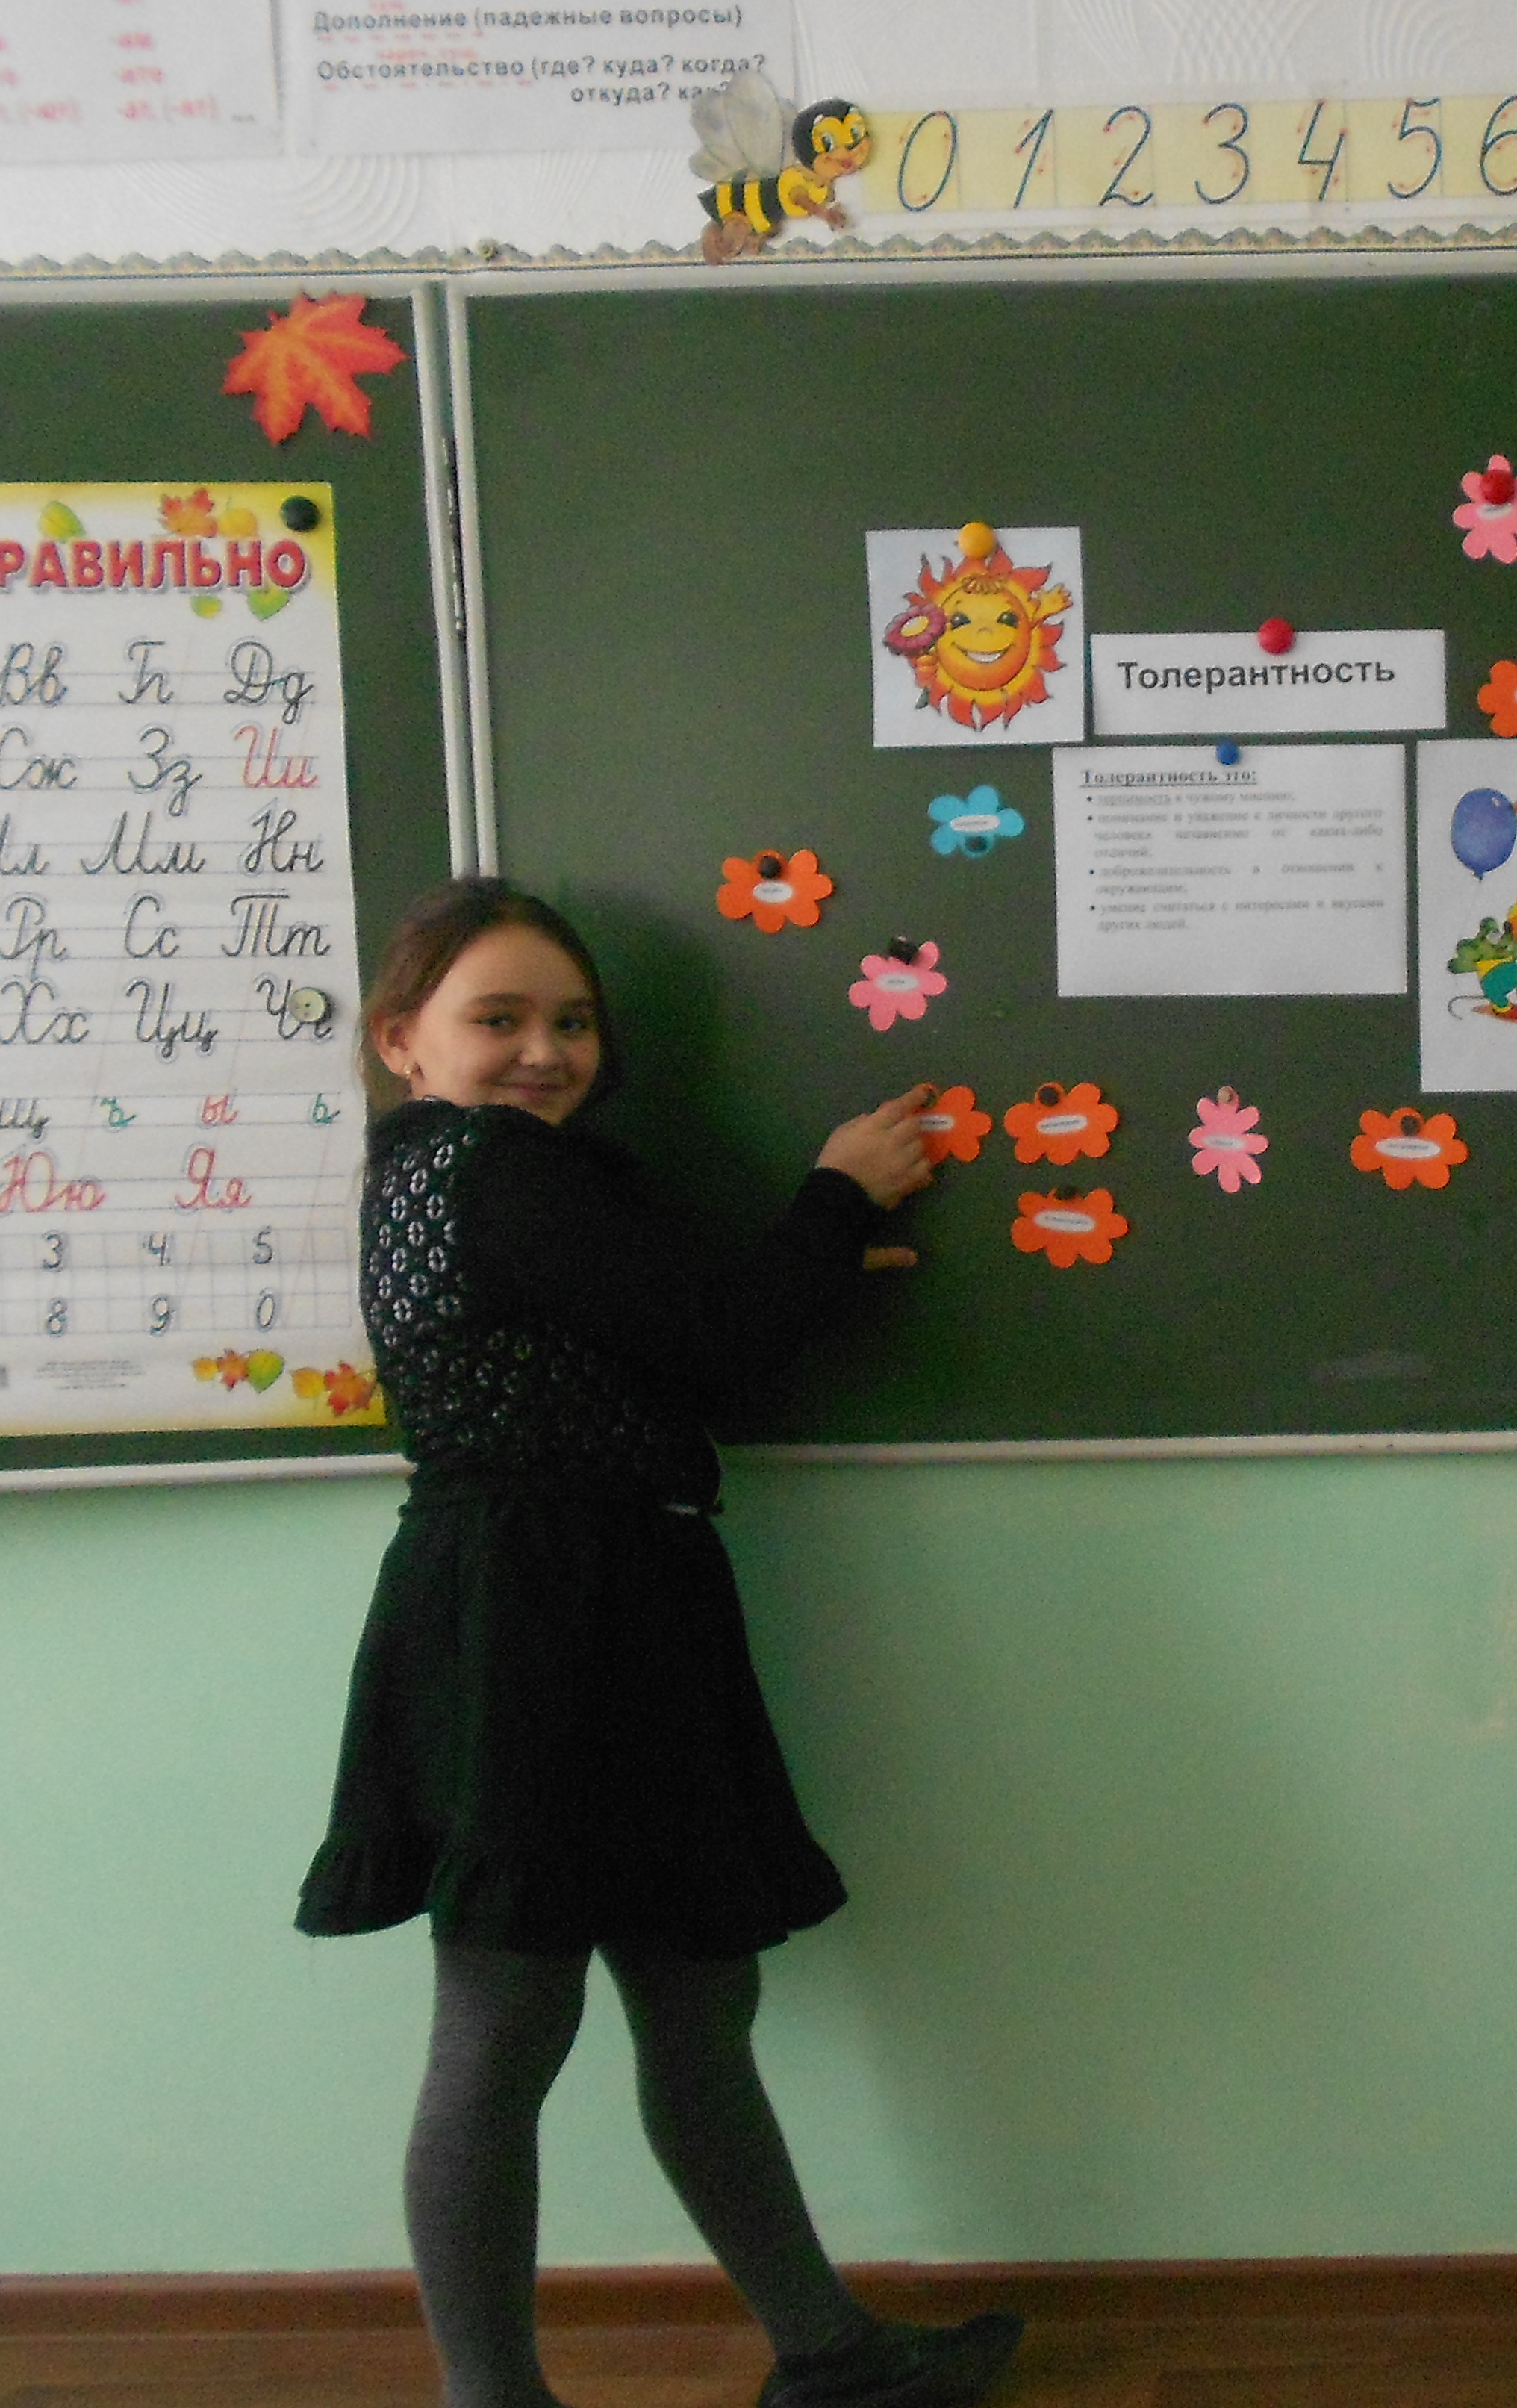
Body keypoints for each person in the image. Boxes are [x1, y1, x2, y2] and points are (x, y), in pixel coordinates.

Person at [297, 880, 1021, 2408]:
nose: (544, 1051)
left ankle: (827, 2355)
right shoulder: (499, 1166)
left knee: (690, 2003)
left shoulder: (436, 1176)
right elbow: (709, 1337)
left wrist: (799, 1273)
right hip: (541, 1611)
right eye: (498, 1018)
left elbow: (652, 1333)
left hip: (581, 1597)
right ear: (402, 1038)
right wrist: (837, 1198)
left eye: (572, 1022)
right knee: (514, 2020)